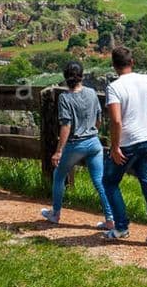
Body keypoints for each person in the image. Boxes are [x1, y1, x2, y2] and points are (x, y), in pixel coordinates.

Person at [102, 46, 147, 244]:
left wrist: (114, 146)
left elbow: (116, 121)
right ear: (132, 62)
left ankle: (121, 227)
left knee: (110, 182)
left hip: (128, 142)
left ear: (114, 66)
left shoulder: (114, 87)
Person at [40, 61, 115, 229]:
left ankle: (55, 214)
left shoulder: (65, 98)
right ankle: (110, 219)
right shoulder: (91, 92)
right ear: (82, 75)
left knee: (59, 176)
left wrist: (59, 151)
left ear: (66, 78)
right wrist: (92, 132)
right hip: (94, 142)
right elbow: (98, 119)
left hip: (75, 144)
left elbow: (66, 125)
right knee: (99, 182)